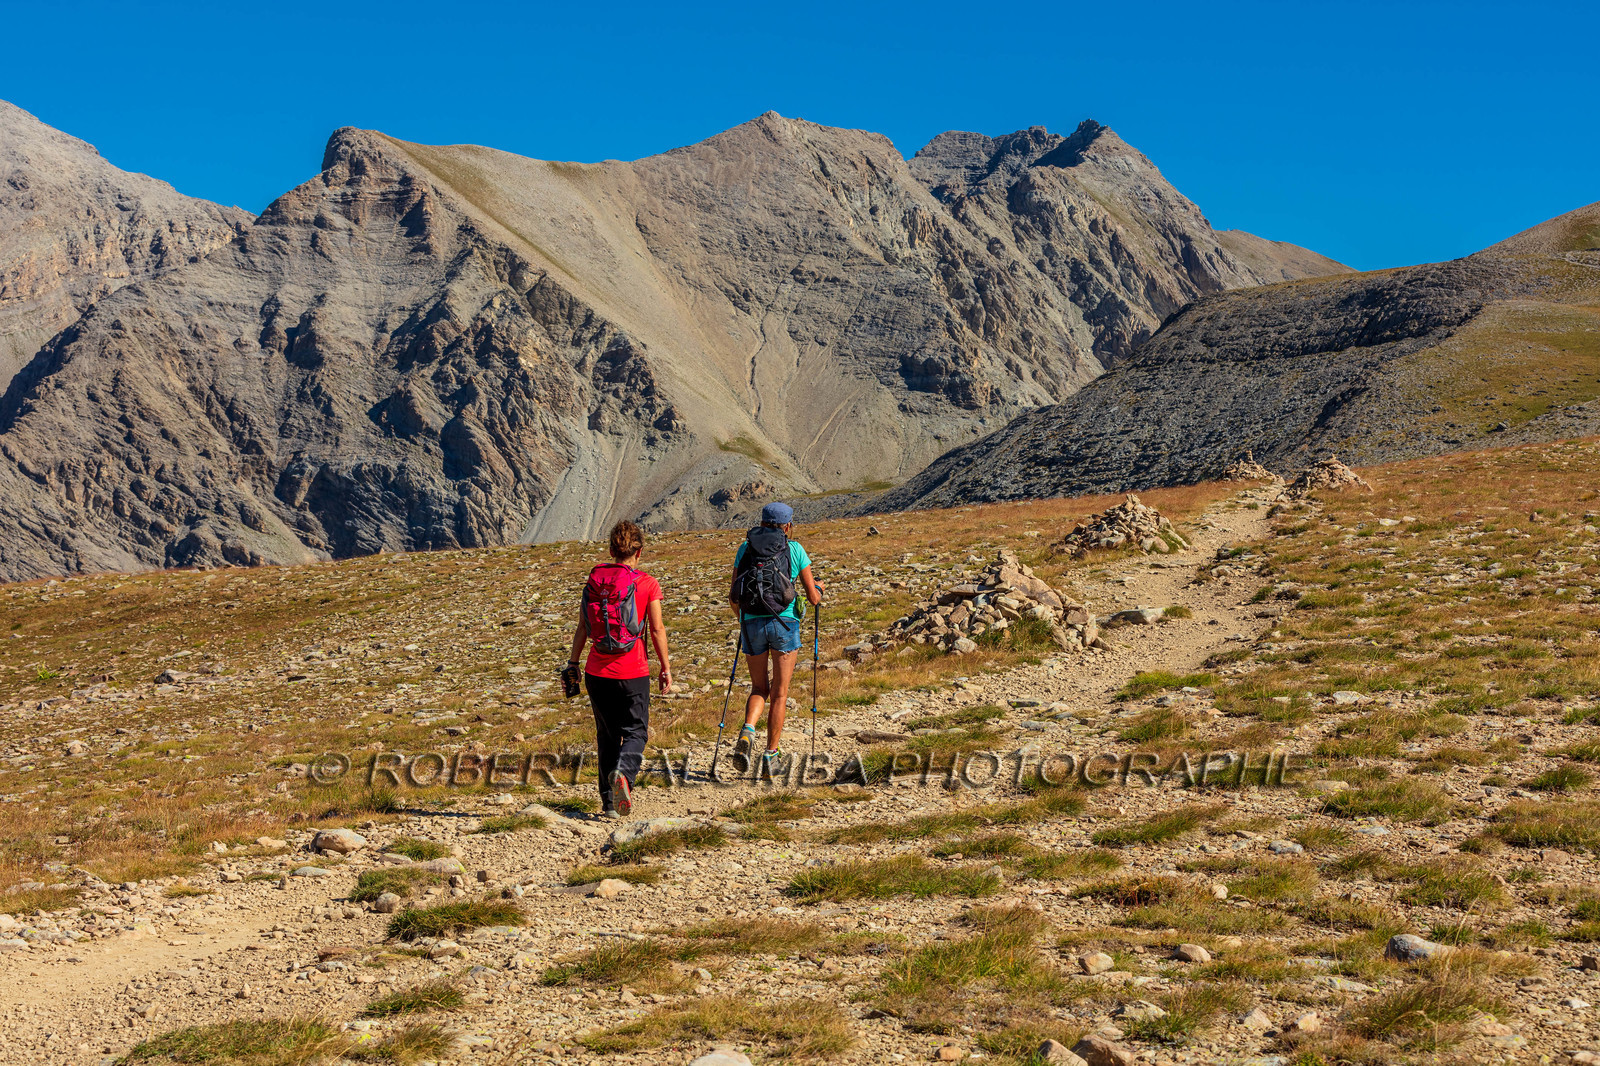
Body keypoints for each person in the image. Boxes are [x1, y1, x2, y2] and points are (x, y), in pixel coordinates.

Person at [566, 520, 672, 818]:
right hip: (633, 671)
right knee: (636, 732)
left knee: (607, 736)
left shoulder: (595, 582)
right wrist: (665, 666)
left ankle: (609, 805)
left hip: (596, 672)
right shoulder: (647, 583)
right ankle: (624, 775)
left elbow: (583, 627)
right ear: (639, 552)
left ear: (612, 550)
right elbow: (656, 629)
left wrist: (573, 663)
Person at [728, 502, 823, 771]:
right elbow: (813, 598)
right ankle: (771, 755)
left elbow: (733, 596)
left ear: (763, 522)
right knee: (779, 694)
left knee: (759, 688)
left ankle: (748, 729)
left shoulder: (745, 549)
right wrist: (819, 588)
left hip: (751, 625)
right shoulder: (794, 549)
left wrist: (744, 621)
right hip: (785, 624)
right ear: (788, 526)